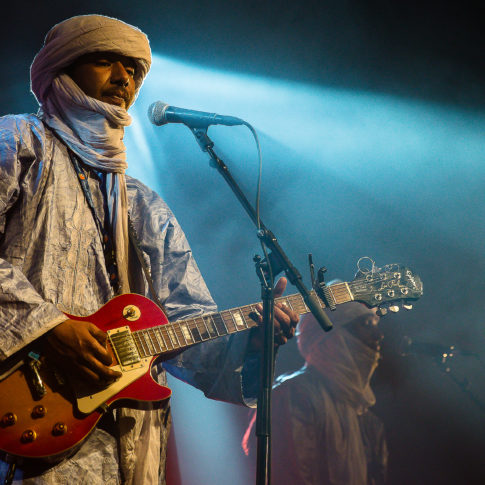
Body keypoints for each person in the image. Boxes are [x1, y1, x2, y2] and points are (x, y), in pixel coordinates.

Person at [0, 14, 299, 485]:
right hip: (25, 423)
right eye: (106, 61)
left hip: (128, 442)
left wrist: (250, 342)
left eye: (135, 71)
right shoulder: (17, 142)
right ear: (63, 68)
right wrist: (48, 327)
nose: (124, 79)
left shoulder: (145, 203)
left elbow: (185, 326)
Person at [243, 301, 389, 485]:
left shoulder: (369, 422)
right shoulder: (291, 397)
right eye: (367, 324)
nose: (379, 336)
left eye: (376, 325)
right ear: (333, 338)